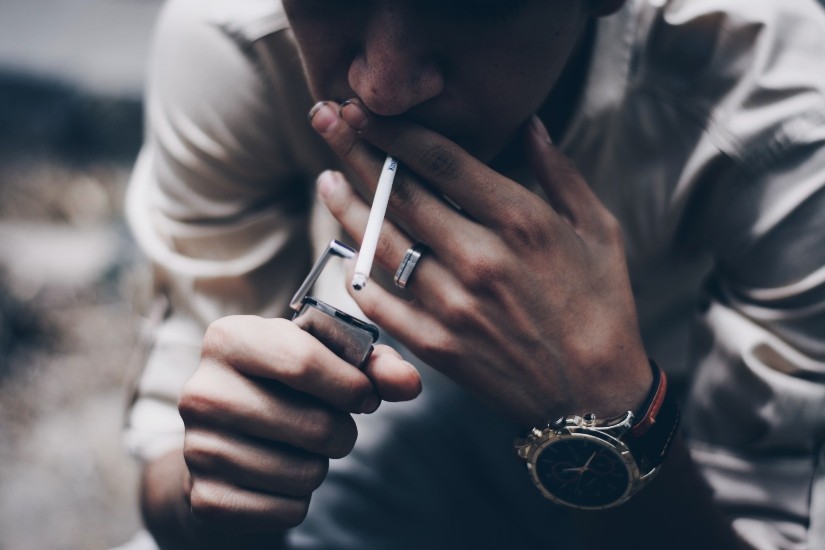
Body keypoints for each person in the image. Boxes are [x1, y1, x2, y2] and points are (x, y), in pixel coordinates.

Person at [123, 0, 825, 548]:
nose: (383, 85)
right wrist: (222, 480)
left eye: (471, 3)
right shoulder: (233, 40)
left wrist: (607, 410)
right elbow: (172, 459)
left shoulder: (783, 121)